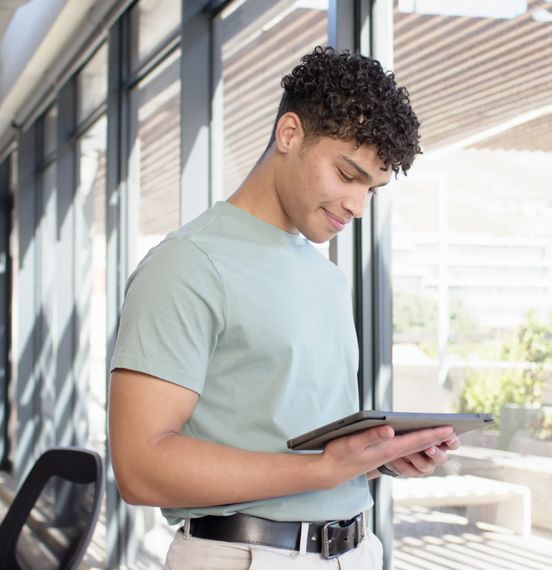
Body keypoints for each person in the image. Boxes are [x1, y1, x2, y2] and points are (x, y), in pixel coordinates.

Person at [108, 46, 457, 569]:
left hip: (357, 552)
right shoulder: (186, 264)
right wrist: (323, 471)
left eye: (372, 190)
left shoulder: (327, 277)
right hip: (246, 556)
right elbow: (140, 467)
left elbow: (295, 447)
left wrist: (376, 459)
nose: (356, 206)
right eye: (346, 174)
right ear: (289, 134)